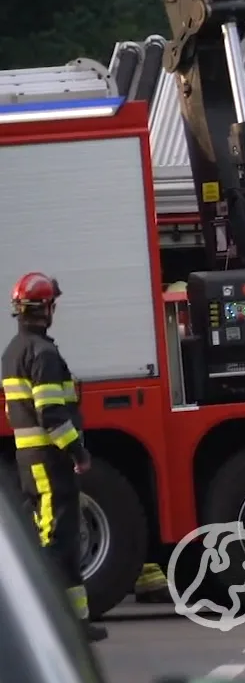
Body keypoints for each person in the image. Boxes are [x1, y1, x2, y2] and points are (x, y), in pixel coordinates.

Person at [4, 273, 106, 641]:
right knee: (54, 541)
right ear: (45, 308)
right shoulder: (42, 354)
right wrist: (77, 451)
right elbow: (50, 413)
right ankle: (52, 625)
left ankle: (75, 624)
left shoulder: (14, 351)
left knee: (59, 538)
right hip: (49, 460)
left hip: (31, 459)